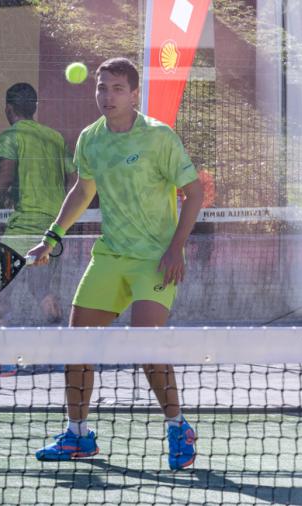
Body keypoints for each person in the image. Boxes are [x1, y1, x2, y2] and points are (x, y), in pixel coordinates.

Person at [26, 58, 204, 470]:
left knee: (145, 342)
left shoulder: (159, 138)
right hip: (110, 256)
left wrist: (176, 248)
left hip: (155, 259)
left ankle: (178, 427)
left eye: (117, 88)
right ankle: (78, 436)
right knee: (76, 343)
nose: (107, 96)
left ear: (135, 92)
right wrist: (51, 238)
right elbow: (82, 190)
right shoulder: (90, 139)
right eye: (102, 88)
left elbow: (193, 194)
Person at [0, 83, 76, 375]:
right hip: (55, 228)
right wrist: (64, 217)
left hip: (26, 227)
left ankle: (4, 358)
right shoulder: (55, 137)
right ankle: (62, 356)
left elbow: (5, 177)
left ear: (8, 109)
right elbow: (76, 180)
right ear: (34, 108)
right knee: (42, 290)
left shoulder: (11, 135)